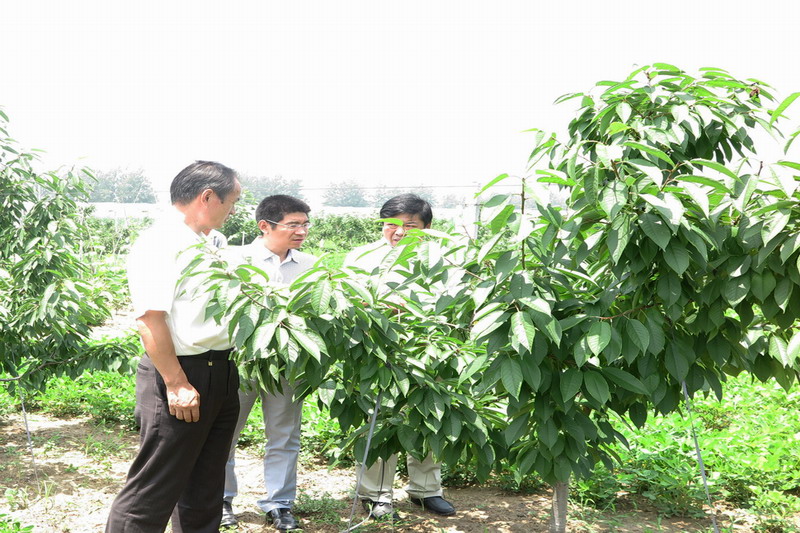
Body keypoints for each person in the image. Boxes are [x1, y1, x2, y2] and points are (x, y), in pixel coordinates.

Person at [106, 161, 242, 533]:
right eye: (232, 201)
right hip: (183, 372)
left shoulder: (207, 243)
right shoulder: (162, 243)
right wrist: (177, 382)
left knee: (205, 487)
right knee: (153, 488)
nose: (233, 210)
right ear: (208, 197)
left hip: (220, 369)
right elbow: (150, 319)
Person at [344, 193, 456, 520]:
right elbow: (347, 301)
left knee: (430, 417)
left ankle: (426, 490)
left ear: (427, 227)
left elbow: (453, 302)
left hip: (431, 350)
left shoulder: (444, 259)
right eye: (391, 224)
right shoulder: (361, 257)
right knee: (379, 421)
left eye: (410, 225)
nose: (399, 231)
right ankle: (376, 495)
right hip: (377, 353)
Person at [221, 195, 317, 531]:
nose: (301, 231)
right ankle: (221, 499)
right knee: (225, 433)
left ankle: (280, 503)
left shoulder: (310, 265)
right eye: (293, 224)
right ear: (265, 225)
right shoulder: (233, 260)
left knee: (284, 434)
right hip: (240, 360)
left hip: (287, 364)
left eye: (305, 224)